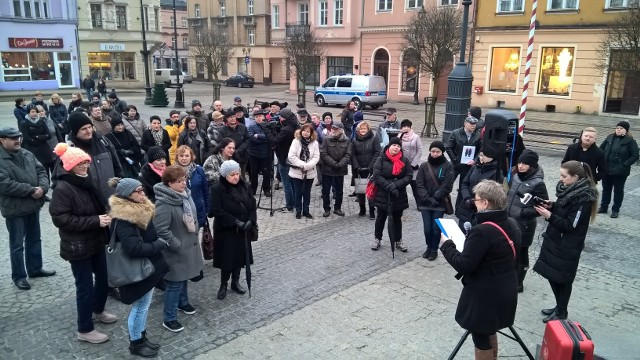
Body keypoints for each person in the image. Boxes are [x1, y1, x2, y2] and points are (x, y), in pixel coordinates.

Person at [440, 179, 522, 359]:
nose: (473, 203)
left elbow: (464, 265)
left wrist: (447, 245)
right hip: (506, 288)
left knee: (480, 336)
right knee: (489, 329)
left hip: (485, 295)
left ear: (485, 203)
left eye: (476, 200)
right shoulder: (512, 223)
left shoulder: (482, 232)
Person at [49, 143, 117, 344]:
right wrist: (95, 220)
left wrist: (107, 214)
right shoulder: (63, 188)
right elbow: (60, 219)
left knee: (104, 278)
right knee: (85, 286)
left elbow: (97, 205)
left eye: (86, 162)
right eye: (80, 163)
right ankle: (84, 328)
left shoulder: (87, 180)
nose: (85, 166)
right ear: (69, 165)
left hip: (95, 239)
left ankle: (98, 309)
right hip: (77, 246)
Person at [107, 177, 169, 357]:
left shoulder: (139, 209)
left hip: (145, 267)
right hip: (137, 270)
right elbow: (133, 248)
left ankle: (141, 336)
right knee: (140, 306)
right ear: (128, 195)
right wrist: (158, 245)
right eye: (139, 191)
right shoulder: (126, 218)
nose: (143, 193)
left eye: (142, 189)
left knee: (144, 305)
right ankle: (135, 343)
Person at [533, 161, 598, 323]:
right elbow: (563, 209)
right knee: (552, 275)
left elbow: (571, 225)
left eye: (564, 176)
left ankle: (562, 311)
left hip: (567, 245)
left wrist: (549, 216)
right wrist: (552, 206)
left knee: (562, 278)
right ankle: (559, 306)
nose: (560, 179)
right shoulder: (570, 190)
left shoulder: (583, 198)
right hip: (555, 240)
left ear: (575, 177)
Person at [0, 127, 55, 290]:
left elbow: (41, 171)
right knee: (17, 244)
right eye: (12, 138)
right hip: (15, 209)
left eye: (18, 137)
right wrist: (31, 190)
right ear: (2, 140)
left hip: (32, 205)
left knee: (35, 239)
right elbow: (4, 184)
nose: (17, 140)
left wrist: (43, 188)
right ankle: (19, 276)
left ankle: (35, 269)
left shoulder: (26, 153)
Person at [153, 165, 204, 332]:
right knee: (174, 283)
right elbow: (161, 229)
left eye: (184, 180)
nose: (184, 183)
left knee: (185, 277)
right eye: (179, 181)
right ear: (169, 184)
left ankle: (183, 303)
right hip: (176, 251)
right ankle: (169, 318)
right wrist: (176, 245)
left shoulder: (185, 195)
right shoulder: (164, 203)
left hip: (189, 246)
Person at [209, 160, 256, 300]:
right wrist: (236, 222)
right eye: (232, 174)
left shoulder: (245, 186)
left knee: (240, 258)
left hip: (243, 230)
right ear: (225, 176)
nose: (236, 177)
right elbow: (217, 210)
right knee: (227, 259)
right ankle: (223, 284)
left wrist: (250, 221)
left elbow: (252, 205)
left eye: (237, 173)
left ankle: (235, 282)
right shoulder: (217, 189)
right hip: (227, 231)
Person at [505, 149, 548, 292]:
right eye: (519, 162)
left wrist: (522, 212)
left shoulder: (538, 183)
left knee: (522, 252)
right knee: (509, 251)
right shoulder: (515, 176)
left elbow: (542, 208)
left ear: (532, 165)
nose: (521, 166)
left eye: (525, 164)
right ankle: (509, 277)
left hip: (525, 225)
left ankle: (519, 282)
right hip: (509, 220)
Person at [64, 112, 123, 201]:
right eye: (84, 129)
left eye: (90, 127)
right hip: (88, 201)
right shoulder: (69, 150)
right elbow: (61, 178)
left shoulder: (104, 142)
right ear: (75, 131)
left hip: (111, 196)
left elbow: (117, 165)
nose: (89, 131)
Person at [370, 137, 413, 251]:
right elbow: (377, 175)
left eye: (398, 146)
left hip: (398, 194)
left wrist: (396, 185)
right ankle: (377, 239)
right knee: (381, 218)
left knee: (397, 219)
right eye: (394, 145)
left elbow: (409, 176)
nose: (396, 147)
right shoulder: (381, 159)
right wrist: (389, 186)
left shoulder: (404, 160)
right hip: (382, 194)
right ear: (389, 146)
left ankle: (398, 240)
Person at [415, 141, 454, 261]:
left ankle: (434, 249)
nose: (435, 154)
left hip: (439, 203)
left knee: (436, 229)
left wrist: (436, 198)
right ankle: (428, 246)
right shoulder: (424, 166)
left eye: (437, 152)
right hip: (425, 203)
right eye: (433, 151)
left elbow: (447, 185)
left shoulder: (448, 166)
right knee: (427, 228)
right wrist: (427, 198)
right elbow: (419, 184)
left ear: (442, 152)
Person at [598, 121, 639, 218]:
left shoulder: (630, 141)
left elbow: (635, 155)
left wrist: (625, 164)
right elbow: (601, 149)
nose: (618, 129)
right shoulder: (609, 138)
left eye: (621, 128)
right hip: (607, 169)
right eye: (617, 128)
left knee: (618, 191)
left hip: (620, 171)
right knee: (606, 189)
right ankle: (603, 207)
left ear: (626, 130)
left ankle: (615, 210)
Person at [261, 108, 298, 212]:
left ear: (285, 118)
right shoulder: (295, 125)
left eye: (281, 116)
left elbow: (274, 141)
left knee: (287, 183)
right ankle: (295, 203)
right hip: (292, 158)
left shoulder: (287, 129)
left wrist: (266, 129)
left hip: (284, 159)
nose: (279, 118)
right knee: (293, 183)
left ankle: (290, 205)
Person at [456, 150, 503, 230]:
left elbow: (493, 194)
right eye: (480, 155)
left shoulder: (496, 172)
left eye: (485, 156)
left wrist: (476, 201)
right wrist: (467, 198)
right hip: (467, 206)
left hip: (481, 209)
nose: (481, 158)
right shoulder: (474, 168)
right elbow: (464, 183)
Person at [446, 115, 482, 209]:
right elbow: (448, 147)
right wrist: (455, 159)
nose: (473, 126)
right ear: (465, 124)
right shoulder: (456, 133)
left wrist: (474, 160)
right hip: (455, 165)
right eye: (471, 124)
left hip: (468, 166)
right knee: (447, 184)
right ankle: (444, 204)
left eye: (475, 124)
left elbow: (480, 150)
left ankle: (459, 208)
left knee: (463, 188)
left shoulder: (477, 135)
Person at [288, 123, 320, 219]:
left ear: (311, 133)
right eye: (304, 131)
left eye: (308, 131)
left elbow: (316, 157)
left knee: (307, 192)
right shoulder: (296, 141)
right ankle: (298, 210)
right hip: (297, 171)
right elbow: (291, 156)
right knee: (298, 192)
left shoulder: (315, 143)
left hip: (309, 172)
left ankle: (306, 210)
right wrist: (303, 165)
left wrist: (308, 166)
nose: (305, 133)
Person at [320, 122, 352, 217]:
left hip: (340, 170)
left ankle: (337, 208)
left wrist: (339, 164)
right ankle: (326, 208)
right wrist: (334, 164)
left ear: (341, 130)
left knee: (339, 191)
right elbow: (323, 153)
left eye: (336, 128)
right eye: (333, 128)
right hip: (327, 169)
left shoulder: (347, 140)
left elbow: (348, 154)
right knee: (325, 191)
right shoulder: (326, 139)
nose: (333, 130)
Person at [175, 145, 209, 229]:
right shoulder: (173, 171)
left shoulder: (198, 170)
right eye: (181, 155)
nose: (184, 158)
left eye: (187, 155)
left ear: (191, 157)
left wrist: (207, 208)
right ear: (177, 157)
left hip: (198, 207)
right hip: (182, 210)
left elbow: (205, 190)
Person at [351, 121, 380, 219]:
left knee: (371, 191)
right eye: (361, 129)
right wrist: (356, 167)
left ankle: (372, 210)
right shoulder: (354, 140)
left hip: (371, 169)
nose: (363, 130)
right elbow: (353, 154)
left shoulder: (374, 139)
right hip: (359, 169)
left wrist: (370, 166)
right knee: (360, 191)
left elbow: (377, 153)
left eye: (365, 129)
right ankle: (362, 209)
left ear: (368, 129)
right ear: (358, 130)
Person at [19, 105, 56, 180]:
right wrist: (39, 139)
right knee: (37, 168)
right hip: (32, 148)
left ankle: (48, 183)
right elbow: (26, 138)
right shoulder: (24, 123)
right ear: (28, 113)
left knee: (46, 167)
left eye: (36, 111)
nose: (34, 113)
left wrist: (37, 137)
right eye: (32, 112)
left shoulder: (41, 121)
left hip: (44, 148)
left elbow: (48, 135)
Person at [247, 109, 272, 196]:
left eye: (260, 116)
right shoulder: (251, 127)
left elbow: (270, 138)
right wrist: (264, 139)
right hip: (254, 154)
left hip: (266, 154)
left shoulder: (268, 126)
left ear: (264, 117)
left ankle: (266, 189)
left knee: (267, 173)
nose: (258, 118)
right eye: (257, 117)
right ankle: (253, 189)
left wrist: (258, 136)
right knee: (254, 173)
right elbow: (251, 138)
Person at [398, 119, 422, 206]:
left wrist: (414, 163)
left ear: (410, 127)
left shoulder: (415, 137)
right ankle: (402, 203)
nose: (406, 128)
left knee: (415, 185)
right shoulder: (399, 137)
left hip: (413, 165)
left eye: (407, 126)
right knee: (401, 185)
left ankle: (419, 204)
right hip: (402, 165)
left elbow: (419, 150)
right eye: (404, 126)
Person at [219, 110, 250, 176]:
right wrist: (231, 150)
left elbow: (247, 139)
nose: (233, 119)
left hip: (242, 155)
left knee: (241, 176)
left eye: (233, 117)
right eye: (230, 117)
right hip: (229, 157)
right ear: (227, 119)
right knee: (230, 175)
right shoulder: (222, 130)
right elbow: (221, 142)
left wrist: (239, 150)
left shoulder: (243, 127)